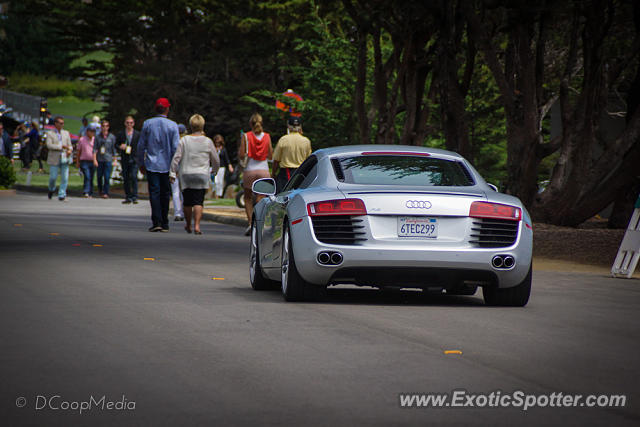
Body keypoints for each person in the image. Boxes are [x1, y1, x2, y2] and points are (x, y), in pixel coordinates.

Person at [170, 114, 220, 235]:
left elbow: (176, 157)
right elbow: (215, 159)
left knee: (187, 201)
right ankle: (197, 225)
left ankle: (188, 224)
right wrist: (215, 170)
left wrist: (172, 172)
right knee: (198, 201)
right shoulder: (208, 141)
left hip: (186, 174)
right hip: (201, 174)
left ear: (191, 126)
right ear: (202, 125)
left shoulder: (184, 140)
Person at [137, 97, 180, 232]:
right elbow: (175, 148)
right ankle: (165, 222)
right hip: (167, 164)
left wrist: (140, 162)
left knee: (154, 193)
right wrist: (176, 166)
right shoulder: (173, 125)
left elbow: (141, 146)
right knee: (165, 193)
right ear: (167, 109)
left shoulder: (148, 124)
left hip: (152, 163)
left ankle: (157, 221)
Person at [238, 113, 273, 235]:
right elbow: (270, 155)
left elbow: (242, 154)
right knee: (261, 197)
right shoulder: (267, 137)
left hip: (250, 170)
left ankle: (249, 223)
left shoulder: (246, 136)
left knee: (247, 198)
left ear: (250, 124)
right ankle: (259, 223)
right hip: (263, 170)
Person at [272, 116, 312, 193]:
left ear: (288, 126)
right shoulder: (306, 141)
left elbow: (276, 160)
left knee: (283, 196)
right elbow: (308, 160)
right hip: (301, 173)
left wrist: (273, 173)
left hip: (285, 174)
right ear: (300, 126)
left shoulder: (283, 139)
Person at [46, 116, 73, 201]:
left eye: (63, 123)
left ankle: (62, 194)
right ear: (56, 124)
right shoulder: (50, 133)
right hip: (54, 158)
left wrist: (69, 150)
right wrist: (60, 147)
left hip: (65, 158)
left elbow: (70, 145)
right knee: (53, 177)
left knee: (65, 177)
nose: (62, 125)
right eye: (60, 123)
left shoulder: (66, 133)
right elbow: (49, 145)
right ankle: (51, 189)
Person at [116, 115, 140, 204]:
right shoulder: (121, 134)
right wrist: (120, 147)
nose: (129, 124)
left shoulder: (137, 134)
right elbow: (116, 144)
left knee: (133, 176)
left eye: (131, 123)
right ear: (125, 123)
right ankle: (128, 196)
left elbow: (140, 146)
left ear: (133, 124)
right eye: (127, 123)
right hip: (125, 158)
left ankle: (135, 196)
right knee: (126, 178)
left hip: (134, 159)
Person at [93, 119, 117, 198]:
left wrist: (115, 160)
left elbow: (114, 149)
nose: (105, 128)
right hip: (100, 159)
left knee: (107, 177)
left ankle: (106, 192)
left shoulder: (112, 137)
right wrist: (95, 159)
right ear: (101, 127)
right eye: (103, 126)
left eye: (106, 126)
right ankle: (100, 190)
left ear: (108, 127)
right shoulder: (97, 137)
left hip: (108, 159)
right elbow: (95, 149)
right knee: (99, 176)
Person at [171, 124, 186, 221]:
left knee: (175, 191)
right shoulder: (186, 141)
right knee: (183, 192)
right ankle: (183, 212)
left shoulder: (173, 141)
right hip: (184, 169)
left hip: (174, 168)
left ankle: (178, 213)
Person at [76, 126, 96, 197]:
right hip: (84, 161)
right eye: (90, 131)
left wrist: (96, 160)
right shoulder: (82, 139)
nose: (92, 133)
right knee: (87, 176)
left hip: (92, 161)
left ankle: (90, 191)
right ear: (87, 132)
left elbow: (96, 151)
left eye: (93, 132)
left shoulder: (95, 140)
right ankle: (86, 191)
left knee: (91, 177)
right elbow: (78, 151)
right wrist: (77, 161)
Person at [212, 134, 233, 198]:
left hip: (221, 167)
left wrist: (230, 166)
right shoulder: (212, 148)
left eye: (219, 142)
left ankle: (218, 195)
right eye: (216, 142)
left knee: (220, 182)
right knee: (214, 181)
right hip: (213, 167)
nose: (218, 143)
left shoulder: (223, 149)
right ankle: (214, 194)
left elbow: (227, 159)